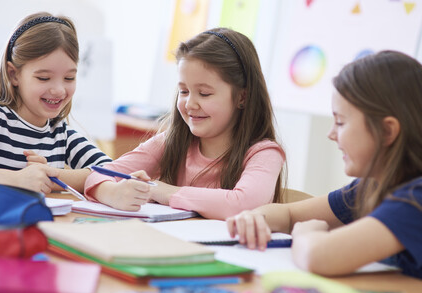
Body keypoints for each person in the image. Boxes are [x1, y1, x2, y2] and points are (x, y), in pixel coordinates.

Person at [227, 50, 422, 279]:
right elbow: (289, 214)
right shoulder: (370, 187)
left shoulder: (415, 199)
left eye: (340, 122)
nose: (331, 134)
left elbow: (317, 256)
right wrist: (256, 218)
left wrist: (305, 232)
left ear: (387, 131)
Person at [84, 27, 285, 220]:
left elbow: (241, 205)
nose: (190, 104)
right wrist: (113, 193)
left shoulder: (264, 154)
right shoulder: (170, 142)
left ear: (242, 97)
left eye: (204, 93)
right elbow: (99, 174)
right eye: (184, 91)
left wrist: (167, 192)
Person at [0, 12, 111, 194]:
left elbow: (113, 171)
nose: (59, 90)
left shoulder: (62, 135)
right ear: (14, 74)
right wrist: (16, 179)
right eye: (44, 78)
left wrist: (51, 177)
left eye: (69, 78)